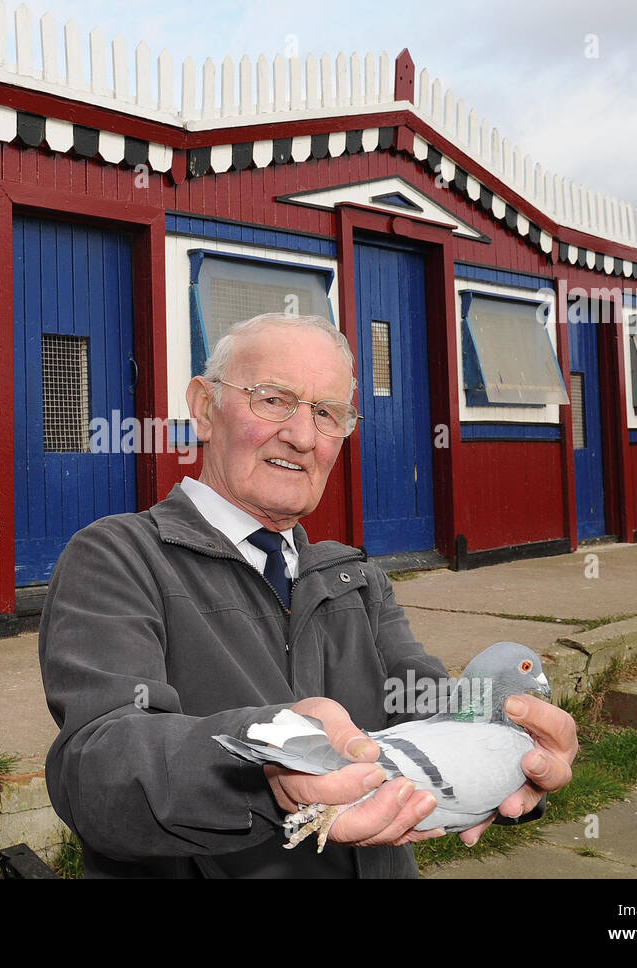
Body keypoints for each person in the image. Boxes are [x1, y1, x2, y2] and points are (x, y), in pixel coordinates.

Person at [39, 312, 578, 877]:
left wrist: (514, 746)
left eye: (327, 413)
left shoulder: (355, 578)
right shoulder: (119, 558)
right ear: (203, 408)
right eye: (273, 399)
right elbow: (98, 768)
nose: (301, 436)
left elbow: (422, 700)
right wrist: (270, 763)